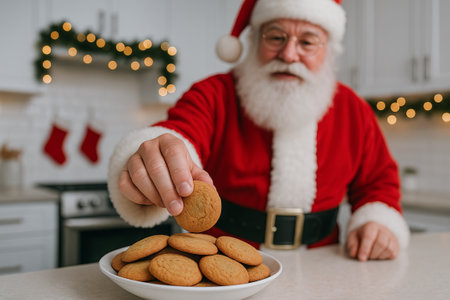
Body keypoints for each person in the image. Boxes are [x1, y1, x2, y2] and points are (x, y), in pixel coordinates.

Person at [108, 0, 410, 261]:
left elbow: (378, 182)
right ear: (253, 41)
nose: (289, 54)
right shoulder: (213, 95)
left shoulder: (353, 110)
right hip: (223, 270)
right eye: (275, 37)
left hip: (324, 268)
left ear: (328, 50)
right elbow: (178, 133)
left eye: (307, 42)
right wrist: (154, 156)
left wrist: (378, 223)